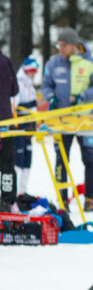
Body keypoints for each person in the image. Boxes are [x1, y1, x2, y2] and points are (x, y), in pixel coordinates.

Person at [41, 28, 93, 212]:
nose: (60, 49)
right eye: (58, 45)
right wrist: (50, 96)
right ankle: (63, 201)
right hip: (61, 120)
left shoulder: (91, 64)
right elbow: (46, 85)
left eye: (63, 45)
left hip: (86, 120)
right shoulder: (53, 63)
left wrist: (82, 96)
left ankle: (89, 199)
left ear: (73, 45)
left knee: (88, 159)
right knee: (61, 159)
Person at [13, 56, 39, 196]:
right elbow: (15, 105)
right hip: (20, 124)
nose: (34, 74)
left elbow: (32, 106)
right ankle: (15, 191)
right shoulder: (18, 82)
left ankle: (23, 191)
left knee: (28, 157)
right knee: (18, 156)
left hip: (30, 124)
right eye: (32, 71)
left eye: (36, 71)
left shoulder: (30, 84)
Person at [0, 48, 19, 211]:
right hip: (5, 119)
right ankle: (7, 200)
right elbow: (15, 90)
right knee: (7, 163)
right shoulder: (5, 61)